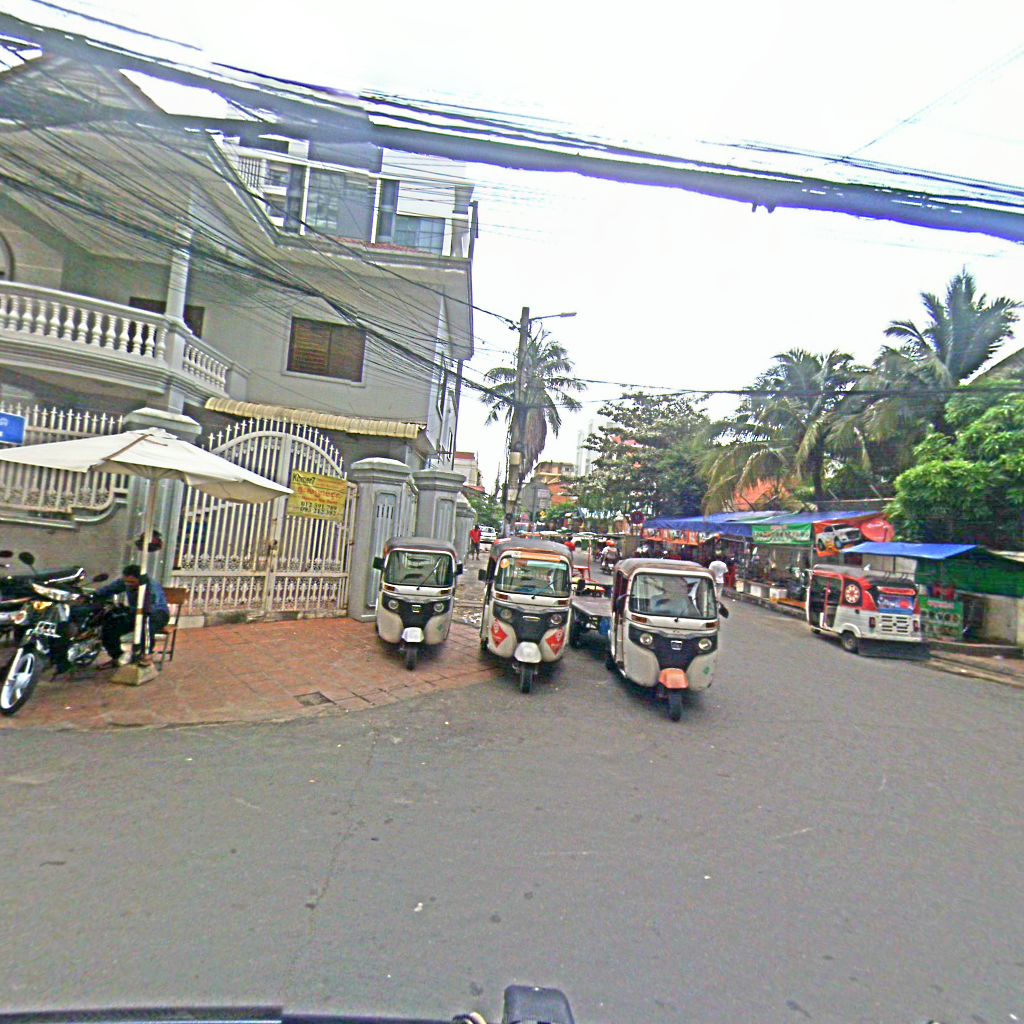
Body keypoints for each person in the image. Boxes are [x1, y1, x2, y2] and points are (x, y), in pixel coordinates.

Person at [96, 564, 170, 667]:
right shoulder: (125, 582)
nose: (128, 584)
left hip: (157, 613)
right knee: (110, 625)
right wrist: (95, 595)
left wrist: (128, 609)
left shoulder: (151, 586)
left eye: (132, 582)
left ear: (140, 579)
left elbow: (150, 608)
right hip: (135, 612)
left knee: (146, 625)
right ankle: (118, 656)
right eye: (126, 581)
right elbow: (109, 589)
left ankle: (146, 655)